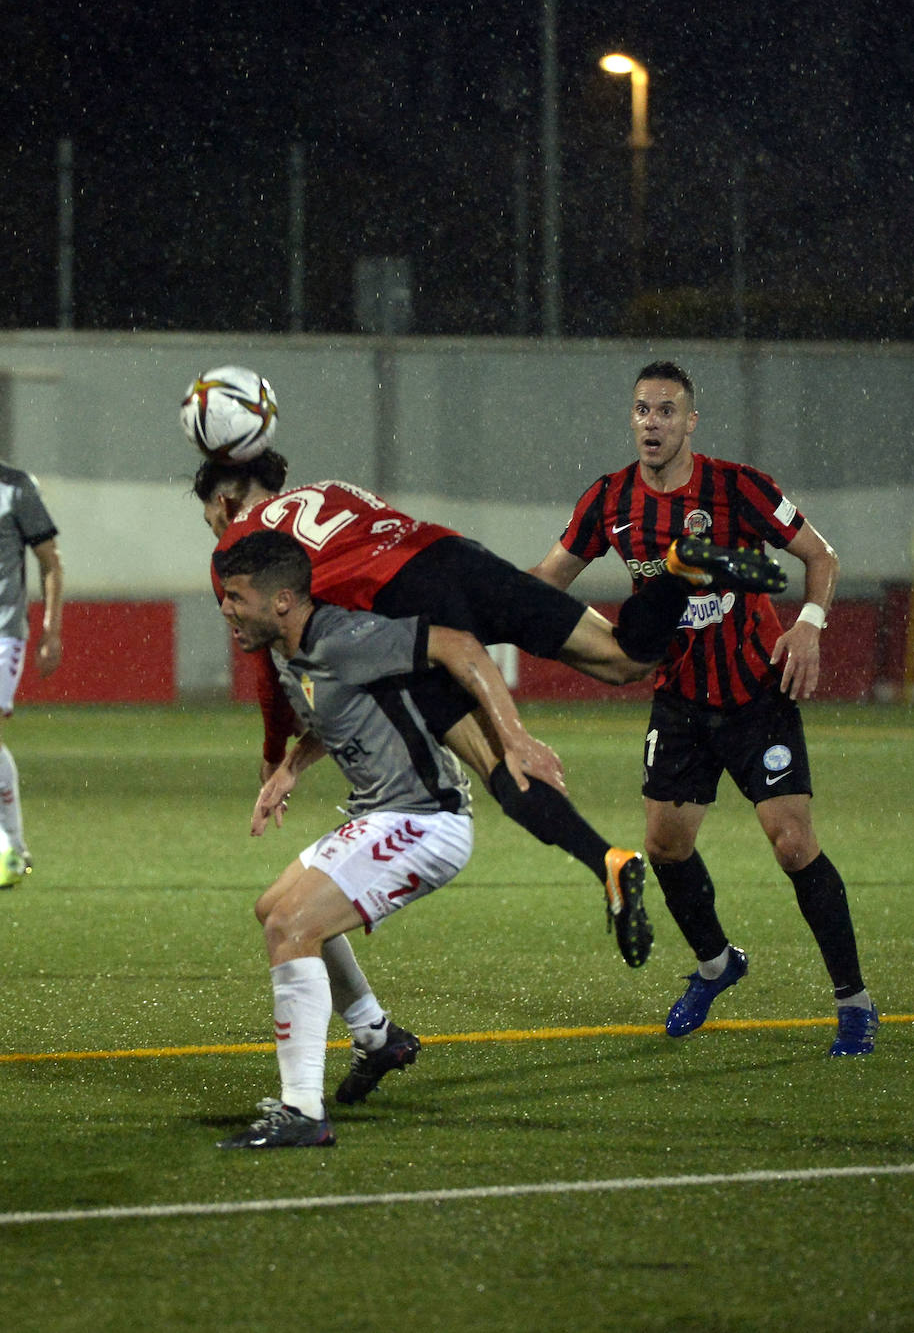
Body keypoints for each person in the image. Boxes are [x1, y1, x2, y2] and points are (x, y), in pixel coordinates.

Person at [191, 431, 785, 969]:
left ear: (222, 507)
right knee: (626, 656)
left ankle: (605, 859)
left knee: (498, 760)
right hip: (454, 555)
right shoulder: (326, 491)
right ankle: (678, 570)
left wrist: (275, 756)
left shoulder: (240, 554)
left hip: (410, 605)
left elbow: (275, 668)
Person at [530, 359, 877, 1057]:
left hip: (756, 694)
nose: (651, 423)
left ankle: (854, 1001)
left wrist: (809, 622)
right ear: (631, 419)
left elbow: (822, 557)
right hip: (680, 700)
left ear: (690, 421)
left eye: (666, 411)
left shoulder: (738, 487)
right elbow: (546, 580)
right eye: (641, 410)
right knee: (664, 846)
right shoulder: (610, 500)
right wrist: (487, 595)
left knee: (793, 843)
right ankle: (718, 965)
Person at [212, 529, 574, 1148]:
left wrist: (512, 738)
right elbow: (338, 712)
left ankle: (302, 1112)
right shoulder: (292, 651)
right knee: (272, 910)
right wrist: (289, 771)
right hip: (385, 813)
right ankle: (378, 1037)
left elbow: (459, 646)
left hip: (427, 820)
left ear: (279, 602)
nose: (226, 610)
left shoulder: (344, 636)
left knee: (291, 928)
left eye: (236, 598)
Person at [0, 462, 63, 888]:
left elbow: (50, 561)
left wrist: (51, 630)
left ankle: (5, 849)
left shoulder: (15, 488)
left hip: (3, 633)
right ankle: (15, 847)